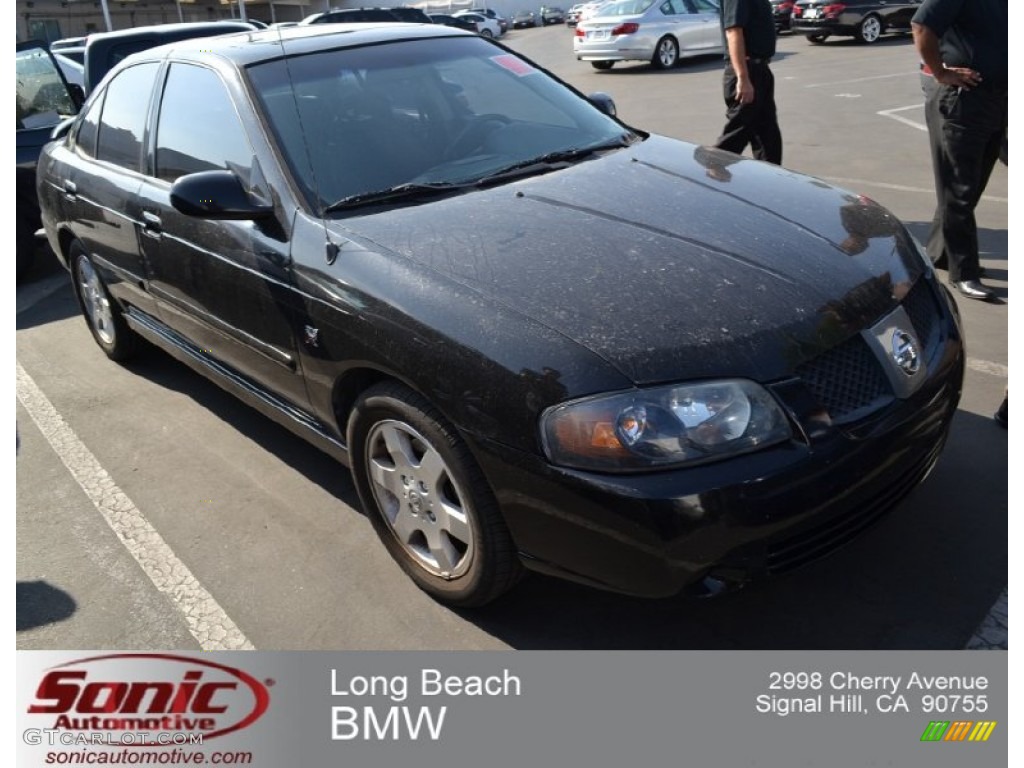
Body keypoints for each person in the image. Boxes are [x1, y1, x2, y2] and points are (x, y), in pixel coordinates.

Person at [912, 0, 1007, 301]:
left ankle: (941, 254)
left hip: (999, 102)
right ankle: (964, 272)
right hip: (964, 101)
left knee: (973, 184)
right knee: (959, 189)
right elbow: (922, 26)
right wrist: (941, 72)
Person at [713, 0, 781, 165]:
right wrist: (743, 78)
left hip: (759, 69)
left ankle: (771, 183)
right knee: (736, 134)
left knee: (768, 139)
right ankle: (711, 170)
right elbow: (733, 31)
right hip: (747, 71)